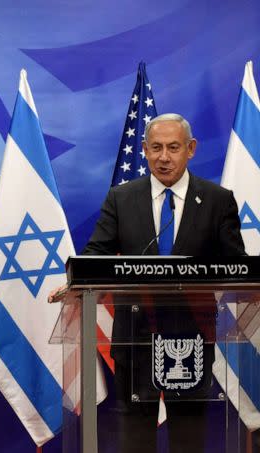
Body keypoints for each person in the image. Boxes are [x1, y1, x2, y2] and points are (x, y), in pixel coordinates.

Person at [82, 113, 246, 452]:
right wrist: (74, 283)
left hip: (192, 340)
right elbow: (96, 255)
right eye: (155, 148)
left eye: (173, 147)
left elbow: (237, 267)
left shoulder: (217, 200)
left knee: (188, 440)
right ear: (143, 149)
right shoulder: (121, 198)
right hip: (134, 337)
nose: (164, 157)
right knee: (135, 441)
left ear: (191, 149)